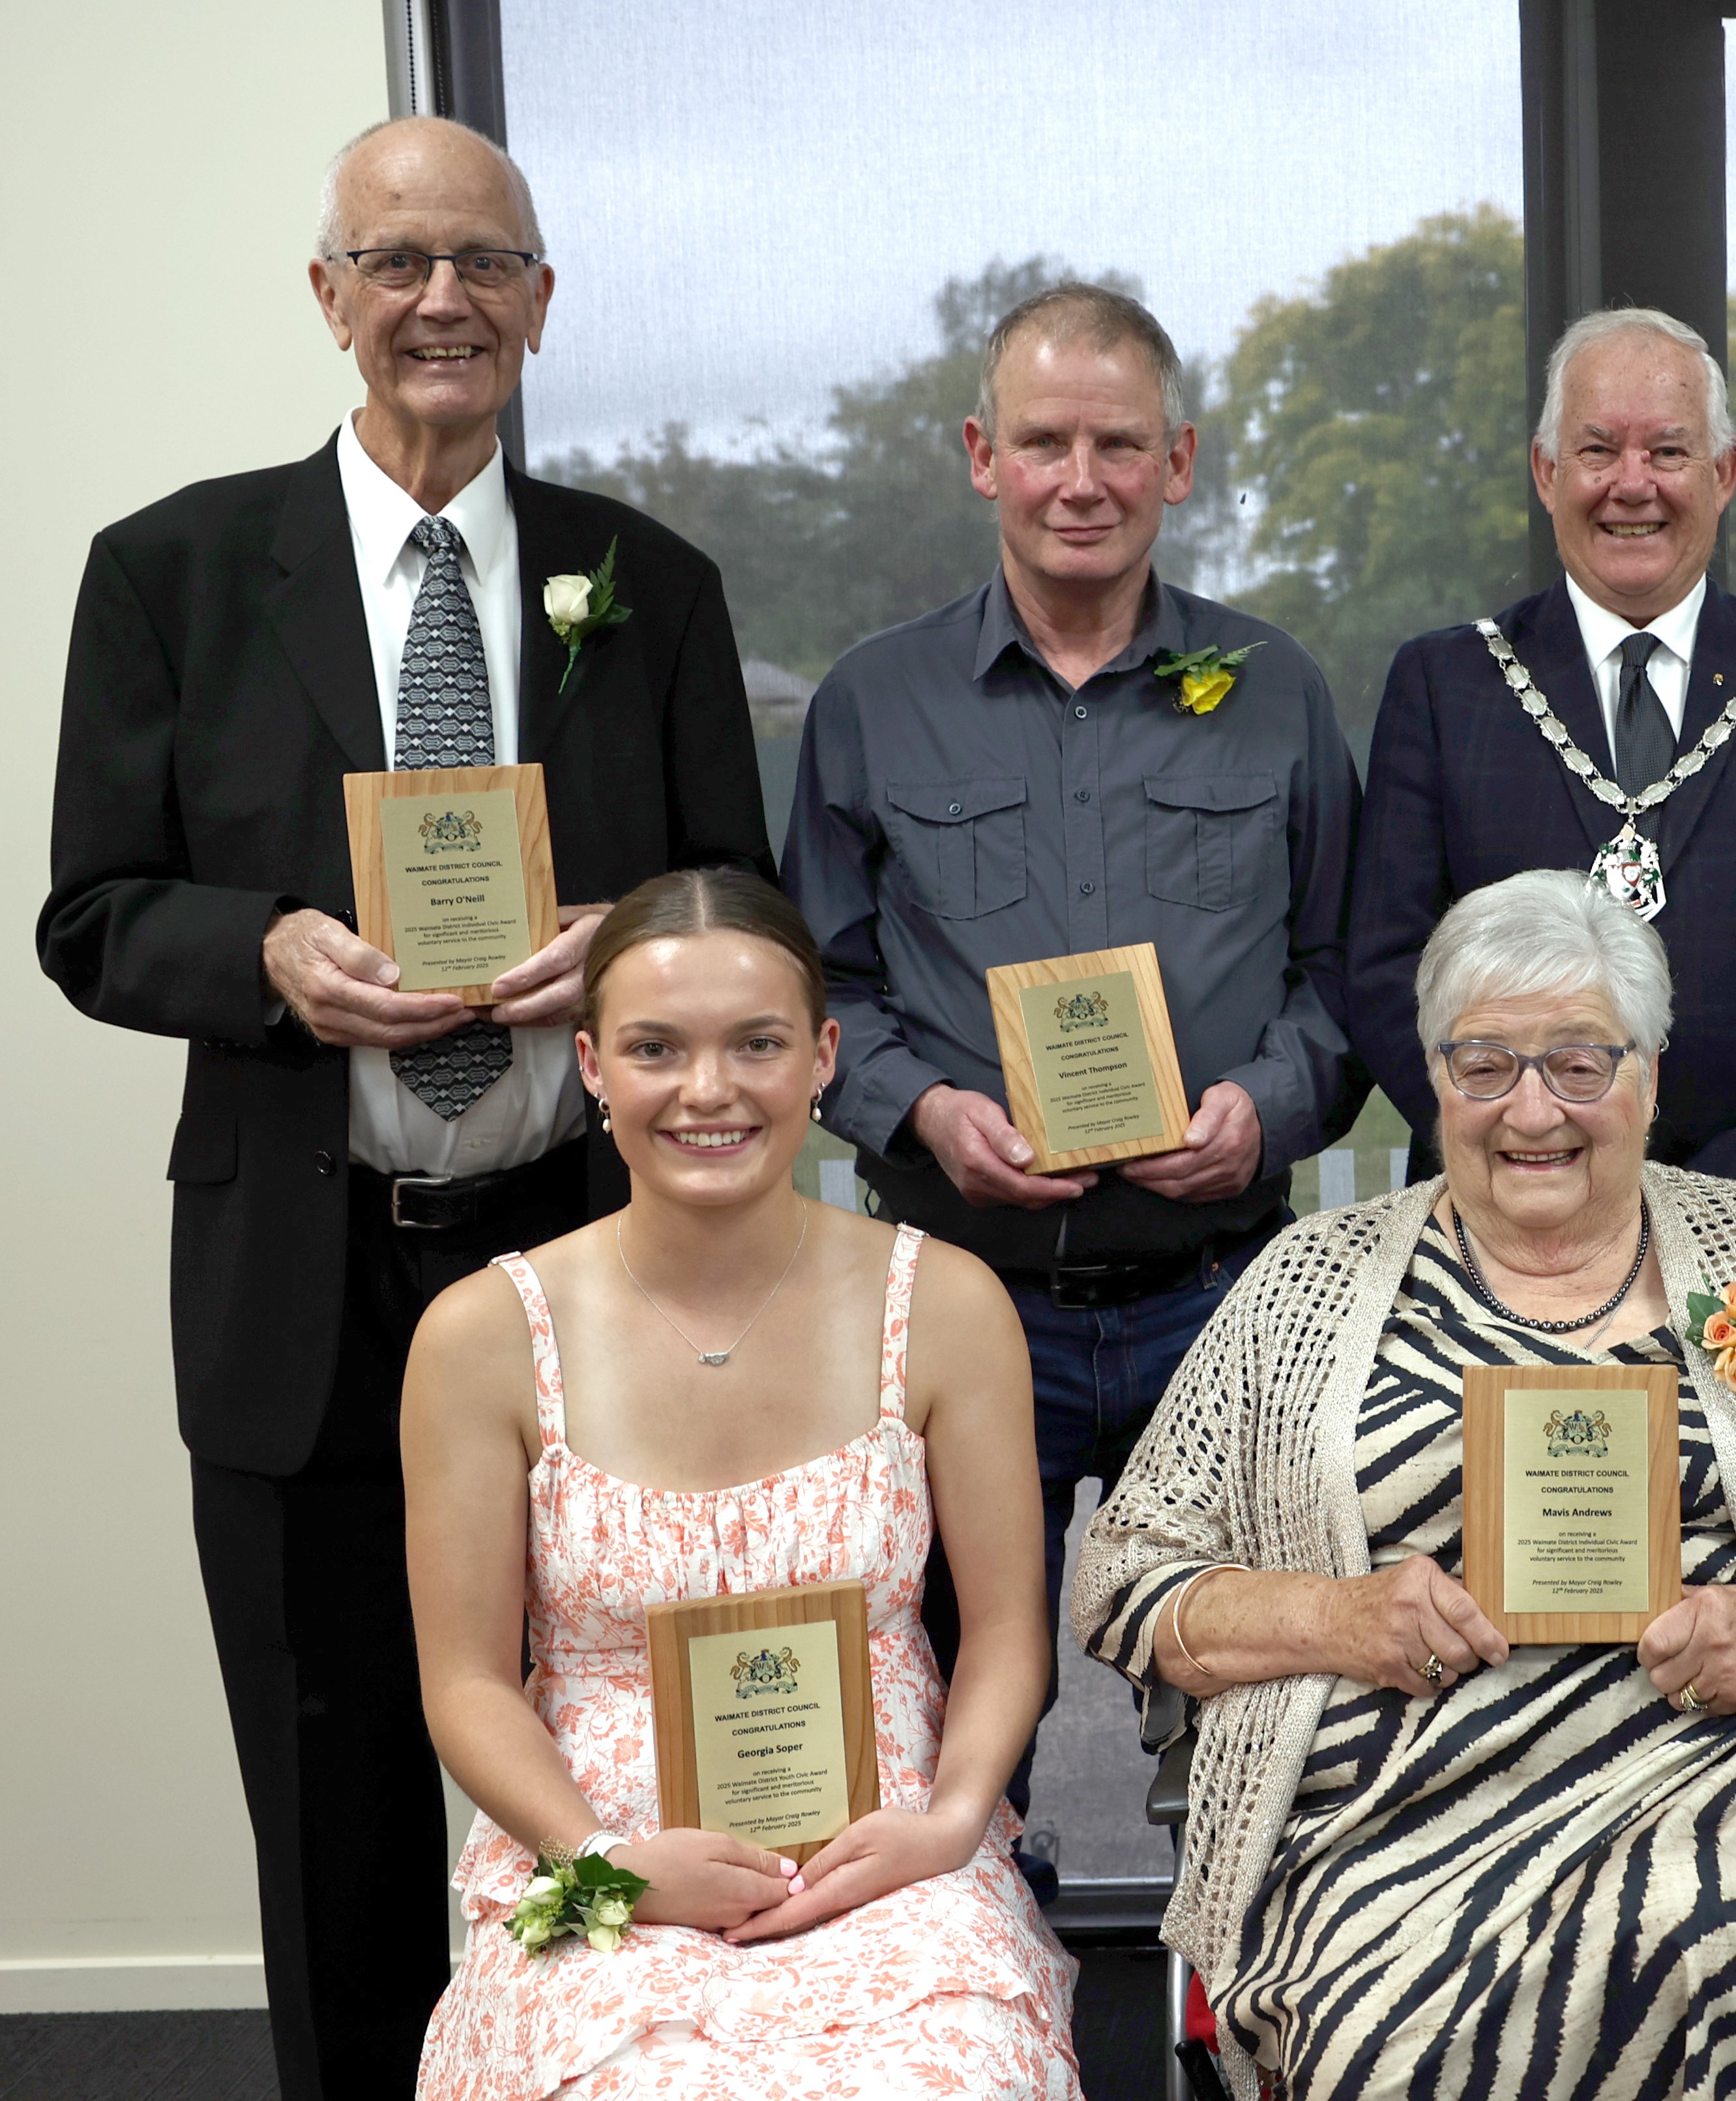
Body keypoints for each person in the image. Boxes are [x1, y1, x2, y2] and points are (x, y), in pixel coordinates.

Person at [35, 117, 769, 2096]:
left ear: (540, 301)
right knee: (335, 1796)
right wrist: (267, 951)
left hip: (582, 1265)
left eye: (482, 263)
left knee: (607, 1744)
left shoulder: (652, 578)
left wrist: (633, 932)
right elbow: (90, 915)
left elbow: (743, 900)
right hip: (307, 1278)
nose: (441, 299)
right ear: (329, 295)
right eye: (399, 260)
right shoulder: (173, 572)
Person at [1077, 869, 1736, 2100]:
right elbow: (1127, 1574)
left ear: (1650, 1075)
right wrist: (1345, 1618)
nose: (1533, 1108)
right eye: (1485, 1065)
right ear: (1432, 1079)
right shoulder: (1306, 1281)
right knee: (1396, 2018)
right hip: (1395, 1806)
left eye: (1581, 1063)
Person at [780, 280, 1365, 1896]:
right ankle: (984, 2024)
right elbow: (816, 989)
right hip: (963, 1308)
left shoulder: (1275, 688)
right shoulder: (871, 703)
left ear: (1179, 462)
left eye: (1119, 443)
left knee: (1257, 1720)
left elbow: (1351, 978)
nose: (1081, 478)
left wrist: (1272, 1101)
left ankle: (1240, 2015)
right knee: (957, 1725)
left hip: (1218, 1301)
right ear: (982, 455)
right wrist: (917, 1110)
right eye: (1044, 441)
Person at [406, 867, 1081, 2096]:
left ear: (823, 1057)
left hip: (883, 1852)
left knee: (957, 2073)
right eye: (656, 1047)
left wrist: (950, 1821)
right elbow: (463, 1676)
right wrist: (605, 1862)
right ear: (594, 1062)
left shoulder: (944, 1302)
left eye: (757, 1044)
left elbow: (1002, 1634)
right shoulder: (483, 1331)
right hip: (599, 1856)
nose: (708, 1090)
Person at [1347, 306, 1736, 1269]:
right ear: (1546, 473)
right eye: (1596, 450)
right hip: (1511, 1228)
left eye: (1668, 450)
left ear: (1724, 474)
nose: (1632, 485)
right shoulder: (1444, 686)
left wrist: (1734, 1197)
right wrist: (1527, 1148)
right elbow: (1383, 966)